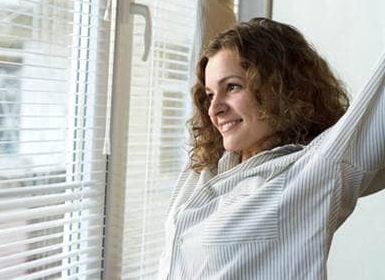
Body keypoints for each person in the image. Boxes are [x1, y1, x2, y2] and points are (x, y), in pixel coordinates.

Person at [158, 17, 385, 279]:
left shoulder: (308, 175)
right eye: (210, 94)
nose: (214, 108)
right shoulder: (207, 163)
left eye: (232, 87)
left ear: (279, 89)